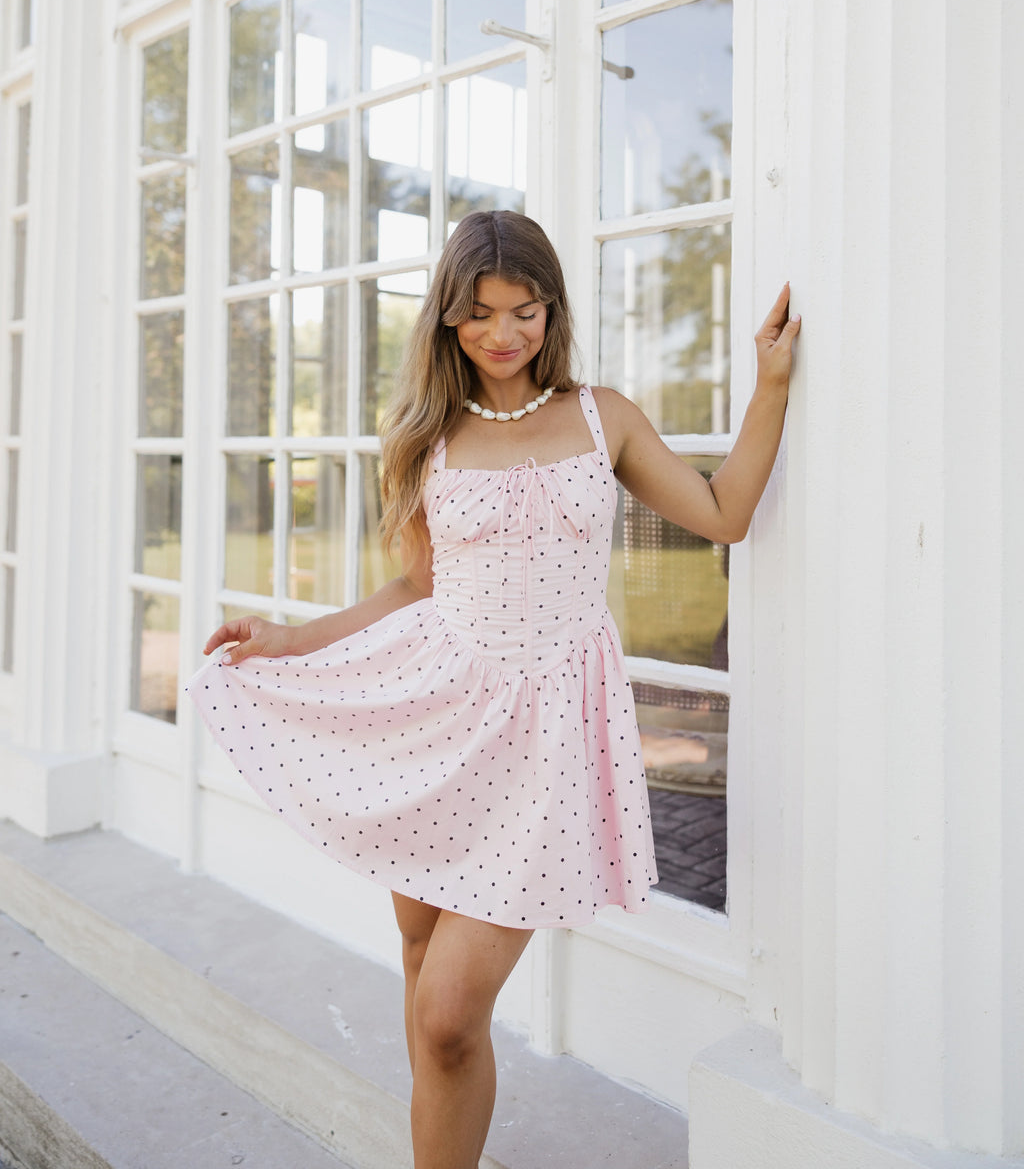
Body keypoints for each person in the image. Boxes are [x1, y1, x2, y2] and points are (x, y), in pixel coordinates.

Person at [188, 210, 800, 1169]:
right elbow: (415, 586)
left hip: (549, 736)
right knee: (420, 962)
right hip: (435, 717)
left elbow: (723, 514)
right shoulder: (426, 437)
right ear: (447, 316)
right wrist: (291, 638)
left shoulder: (603, 417)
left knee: (446, 1016)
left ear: (552, 309)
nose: (503, 333)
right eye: (479, 314)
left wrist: (771, 386)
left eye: (524, 310)